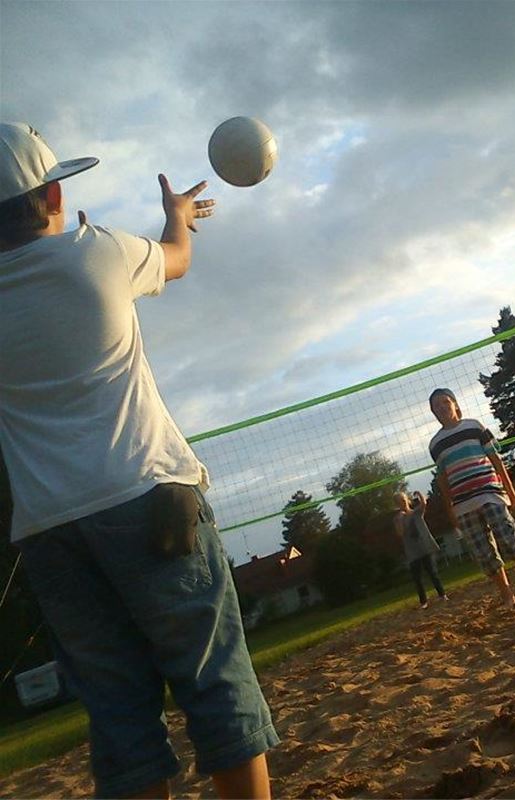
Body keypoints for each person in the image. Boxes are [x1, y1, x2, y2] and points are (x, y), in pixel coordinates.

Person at [0, 122, 277, 798]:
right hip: (149, 495)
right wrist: (174, 216)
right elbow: (177, 257)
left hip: (50, 533)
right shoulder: (100, 253)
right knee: (214, 684)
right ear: (55, 193)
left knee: (119, 719)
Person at [428, 388, 515, 608]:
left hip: (490, 493)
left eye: (445, 402)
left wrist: (510, 489)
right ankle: (507, 593)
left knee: (509, 538)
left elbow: (496, 459)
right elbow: (443, 481)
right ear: (433, 412)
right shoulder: (435, 445)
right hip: (463, 504)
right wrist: (450, 508)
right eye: (437, 406)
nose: (442, 408)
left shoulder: (474, 427)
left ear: (454, 403)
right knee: (484, 551)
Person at [393, 490, 447, 609]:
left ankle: (442, 595)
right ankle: (423, 602)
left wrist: (419, 494)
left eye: (403, 500)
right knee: (417, 578)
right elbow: (400, 533)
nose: (402, 503)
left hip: (424, 547)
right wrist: (401, 520)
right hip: (412, 552)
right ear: (397, 504)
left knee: (432, 572)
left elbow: (424, 504)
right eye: (399, 502)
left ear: (407, 500)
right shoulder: (397, 518)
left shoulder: (416, 513)